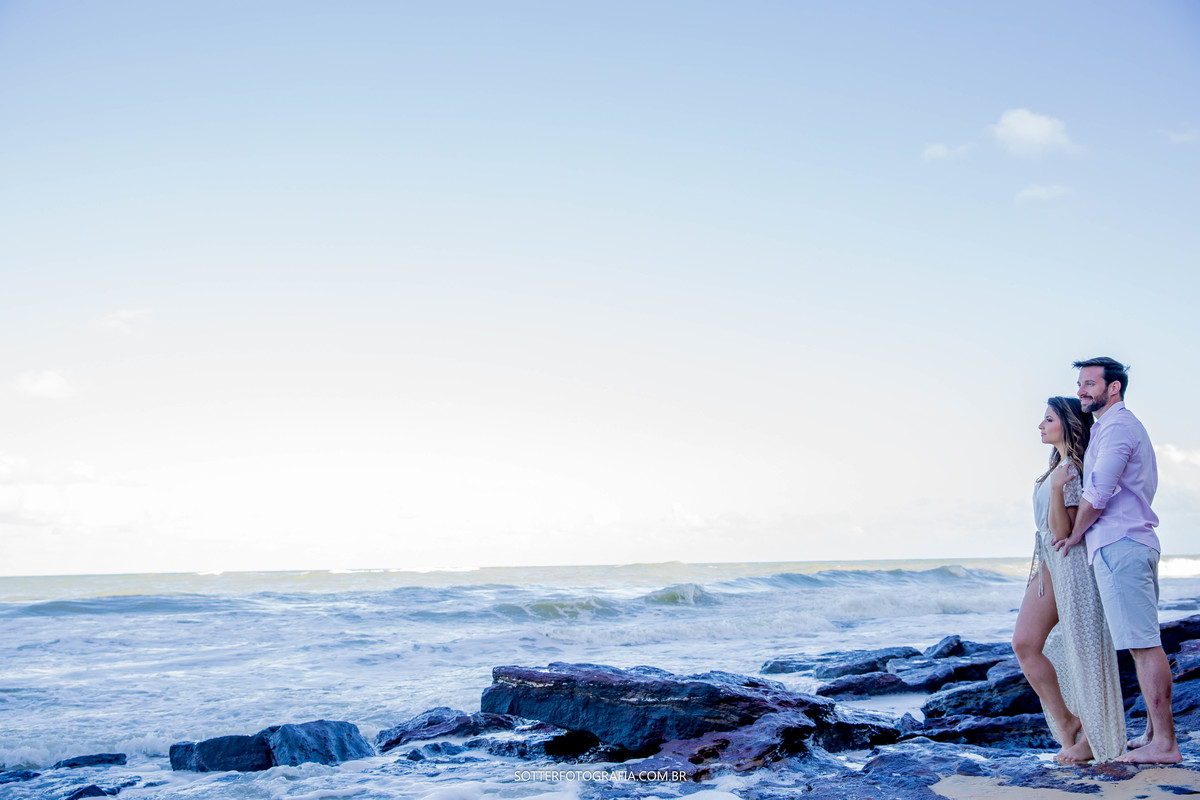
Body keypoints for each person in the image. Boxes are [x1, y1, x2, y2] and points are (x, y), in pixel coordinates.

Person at [1054, 357, 1180, 763]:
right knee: (1143, 642)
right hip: (1126, 542)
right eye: (1079, 384)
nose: (1082, 391)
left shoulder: (1119, 428)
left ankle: (1165, 744)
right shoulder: (1109, 429)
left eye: (1090, 383)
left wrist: (1074, 535)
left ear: (1114, 389)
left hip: (1120, 543)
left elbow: (1099, 492)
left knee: (1143, 646)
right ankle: (1152, 734)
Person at [1013, 396, 1126, 762]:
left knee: (1084, 652)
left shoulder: (1073, 470)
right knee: (1024, 644)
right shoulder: (1056, 467)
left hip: (1073, 565)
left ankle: (1092, 738)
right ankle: (1067, 722)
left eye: (1047, 419)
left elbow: (1064, 532)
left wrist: (1061, 488)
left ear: (1068, 423)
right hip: (1049, 562)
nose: (1040, 426)